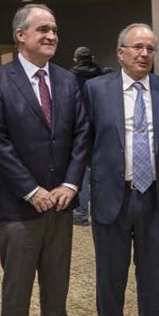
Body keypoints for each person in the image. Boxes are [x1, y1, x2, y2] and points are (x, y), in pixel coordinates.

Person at [0, 3, 91, 316]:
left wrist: (70, 185)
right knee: (18, 284)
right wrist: (31, 190)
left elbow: (82, 134)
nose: (51, 36)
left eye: (54, 29)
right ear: (20, 35)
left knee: (57, 279)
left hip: (60, 202)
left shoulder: (67, 80)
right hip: (17, 206)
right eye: (43, 29)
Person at [84, 24, 159, 316]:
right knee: (110, 273)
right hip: (112, 196)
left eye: (150, 49)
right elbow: (85, 140)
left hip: (154, 196)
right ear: (120, 52)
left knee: (152, 271)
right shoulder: (96, 90)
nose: (144, 54)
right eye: (137, 47)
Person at [71, 46, 106, 226]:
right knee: (102, 173)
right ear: (92, 58)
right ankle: (103, 213)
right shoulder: (102, 76)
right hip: (101, 128)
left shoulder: (69, 77)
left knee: (82, 173)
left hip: (79, 129)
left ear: (75, 59)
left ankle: (81, 214)